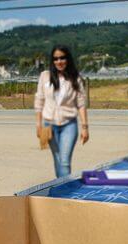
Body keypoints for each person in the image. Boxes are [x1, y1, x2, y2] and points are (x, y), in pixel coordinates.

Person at [34, 45, 89, 178]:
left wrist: (85, 127)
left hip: (69, 124)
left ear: (67, 59)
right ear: (52, 61)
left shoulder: (75, 78)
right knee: (57, 160)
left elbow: (81, 104)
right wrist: (38, 124)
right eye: (56, 59)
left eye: (62, 58)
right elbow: (39, 100)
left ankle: (64, 192)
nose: (59, 61)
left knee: (64, 162)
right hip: (49, 125)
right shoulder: (45, 76)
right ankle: (60, 189)